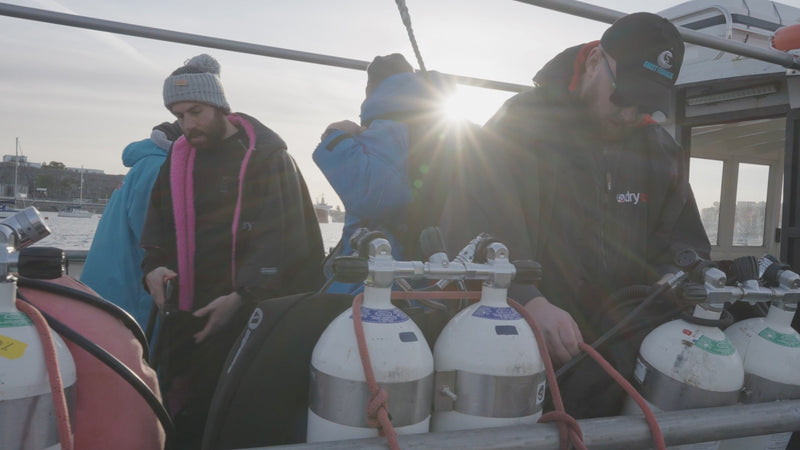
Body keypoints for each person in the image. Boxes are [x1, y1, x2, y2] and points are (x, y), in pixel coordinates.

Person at [440, 12, 711, 418]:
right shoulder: (519, 127)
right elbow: (474, 226)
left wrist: (672, 279)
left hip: (620, 357)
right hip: (526, 347)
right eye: (623, 96)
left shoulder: (661, 152)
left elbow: (684, 245)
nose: (629, 113)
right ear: (595, 61)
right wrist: (529, 300)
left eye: (646, 104)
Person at [141, 53, 324, 448]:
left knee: (239, 416)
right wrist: (153, 267)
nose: (188, 125)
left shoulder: (268, 158)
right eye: (179, 115)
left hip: (251, 315)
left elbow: (287, 240)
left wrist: (244, 296)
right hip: (189, 314)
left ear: (220, 106)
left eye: (196, 111)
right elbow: (157, 224)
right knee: (182, 409)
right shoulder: (176, 161)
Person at [314, 53, 466, 293]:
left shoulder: (390, 126)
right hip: (431, 274)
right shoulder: (445, 131)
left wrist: (335, 137)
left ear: (371, 90)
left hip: (386, 281)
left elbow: (375, 197)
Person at [81, 121, 182, 331]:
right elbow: (154, 240)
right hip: (129, 302)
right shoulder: (159, 168)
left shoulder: (146, 163)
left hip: (106, 291)